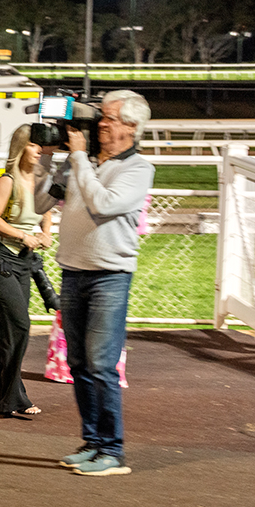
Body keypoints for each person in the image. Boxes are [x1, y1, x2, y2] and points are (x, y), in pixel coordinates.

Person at [35, 89, 154, 476]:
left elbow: (103, 204)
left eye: (110, 118)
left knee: (102, 364)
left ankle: (113, 451)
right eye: (100, 116)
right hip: (73, 271)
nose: (100, 123)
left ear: (132, 126)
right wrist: (48, 159)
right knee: (79, 363)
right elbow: (39, 204)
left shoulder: (138, 168)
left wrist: (78, 159)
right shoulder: (80, 163)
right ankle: (93, 443)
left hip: (109, 276)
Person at [0, 124, 53, 418]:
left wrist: (46, 232)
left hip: (24, 263)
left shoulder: (41, 181)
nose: (39, 151)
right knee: (19, 327)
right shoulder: (8, 181)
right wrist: (23, 235)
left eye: (41, 147)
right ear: (20, 148)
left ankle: (2, 399)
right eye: (33, 145)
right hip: (2, 262)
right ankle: (12, 398)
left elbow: (47, 209)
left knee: (9, 333)